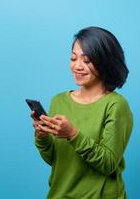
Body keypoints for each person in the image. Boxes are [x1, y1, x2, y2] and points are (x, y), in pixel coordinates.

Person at [30, 26, 133, 199]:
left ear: (105, 61)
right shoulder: (59, 101)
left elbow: (108, 164)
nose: (77, 66)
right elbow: (57, 161)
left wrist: (73, 134)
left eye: (87, 61)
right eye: (73, 58)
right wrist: (42, 137)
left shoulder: (116, 105)